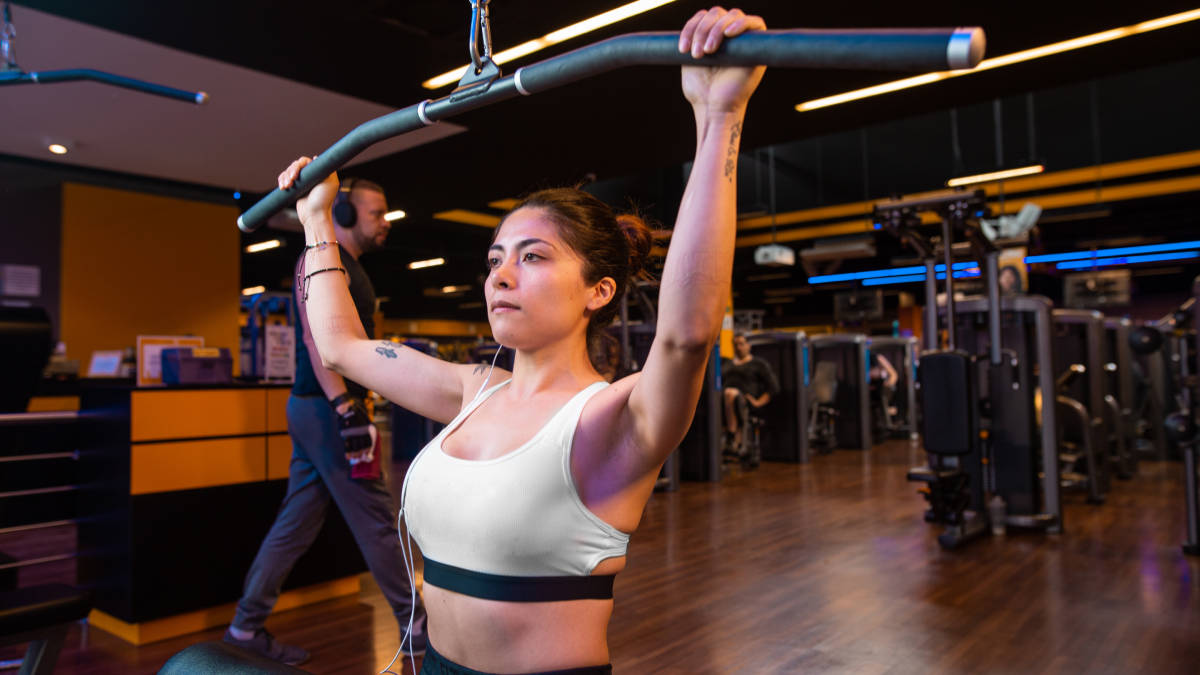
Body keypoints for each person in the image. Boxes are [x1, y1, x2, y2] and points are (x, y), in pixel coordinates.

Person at [281, 7, 766, 673]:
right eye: (494, 259)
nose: (501, 275)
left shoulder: (612, 421)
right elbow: (338, 346)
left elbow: (687, 333)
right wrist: (314, 221)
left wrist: (719, 116)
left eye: (533, 257)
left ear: (598, 290)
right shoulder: (469, 391)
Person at [223, 177, 426, 665]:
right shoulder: (321, 260)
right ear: (346, 214)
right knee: (377, 520)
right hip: (325, 407)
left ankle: (245, 629)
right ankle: (416, 628)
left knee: (294, 524)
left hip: (320, 407)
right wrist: (344, 406)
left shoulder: (351, 268)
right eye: (376, 213)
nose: (385, 222)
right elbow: (319, 341)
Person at [721, 332, 779, 446]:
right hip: (722, 401)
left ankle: (730, 437)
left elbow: (773, 387)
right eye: (736, 344)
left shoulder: (758, 364)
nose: (738, 347)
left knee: (730, 392)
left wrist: (757, 403)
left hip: (745, 402)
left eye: (741, 344)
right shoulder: (727, 364)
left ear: (748, 346)